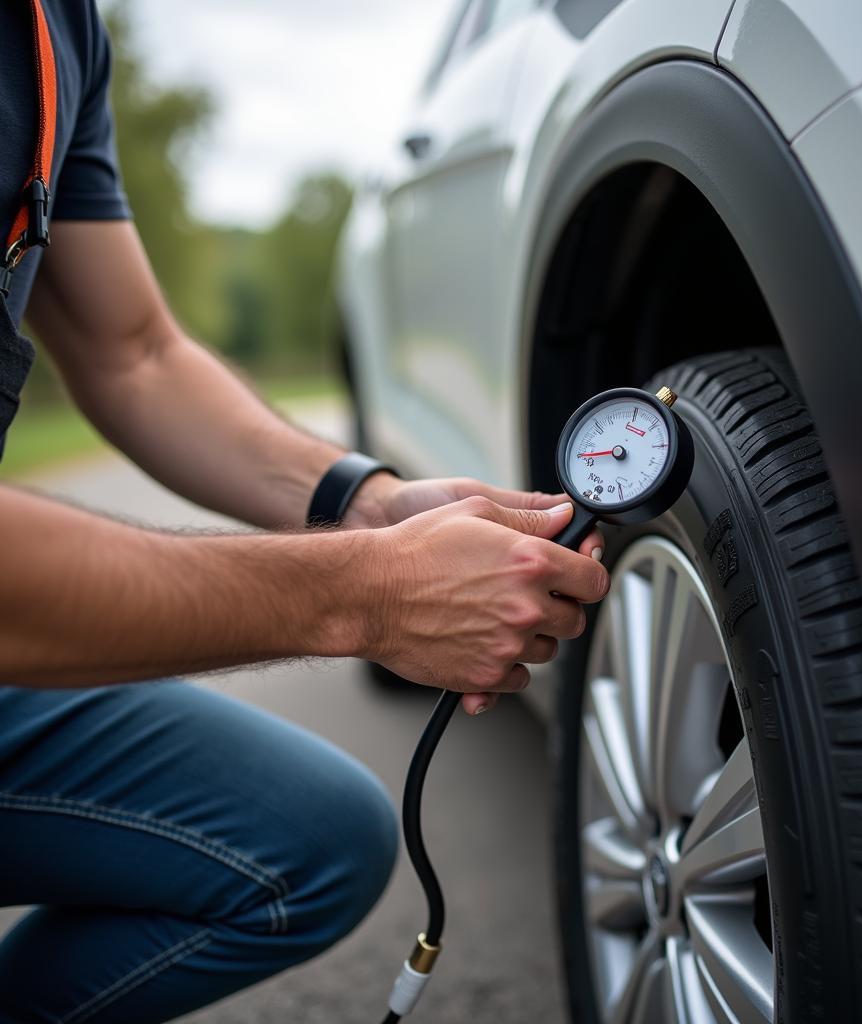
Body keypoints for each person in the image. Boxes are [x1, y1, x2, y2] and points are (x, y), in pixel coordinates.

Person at [0, 2, 608, 1021]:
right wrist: (368, 595)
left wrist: (366, 507)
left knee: (311, 838)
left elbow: (133, 353)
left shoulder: (58, 29)